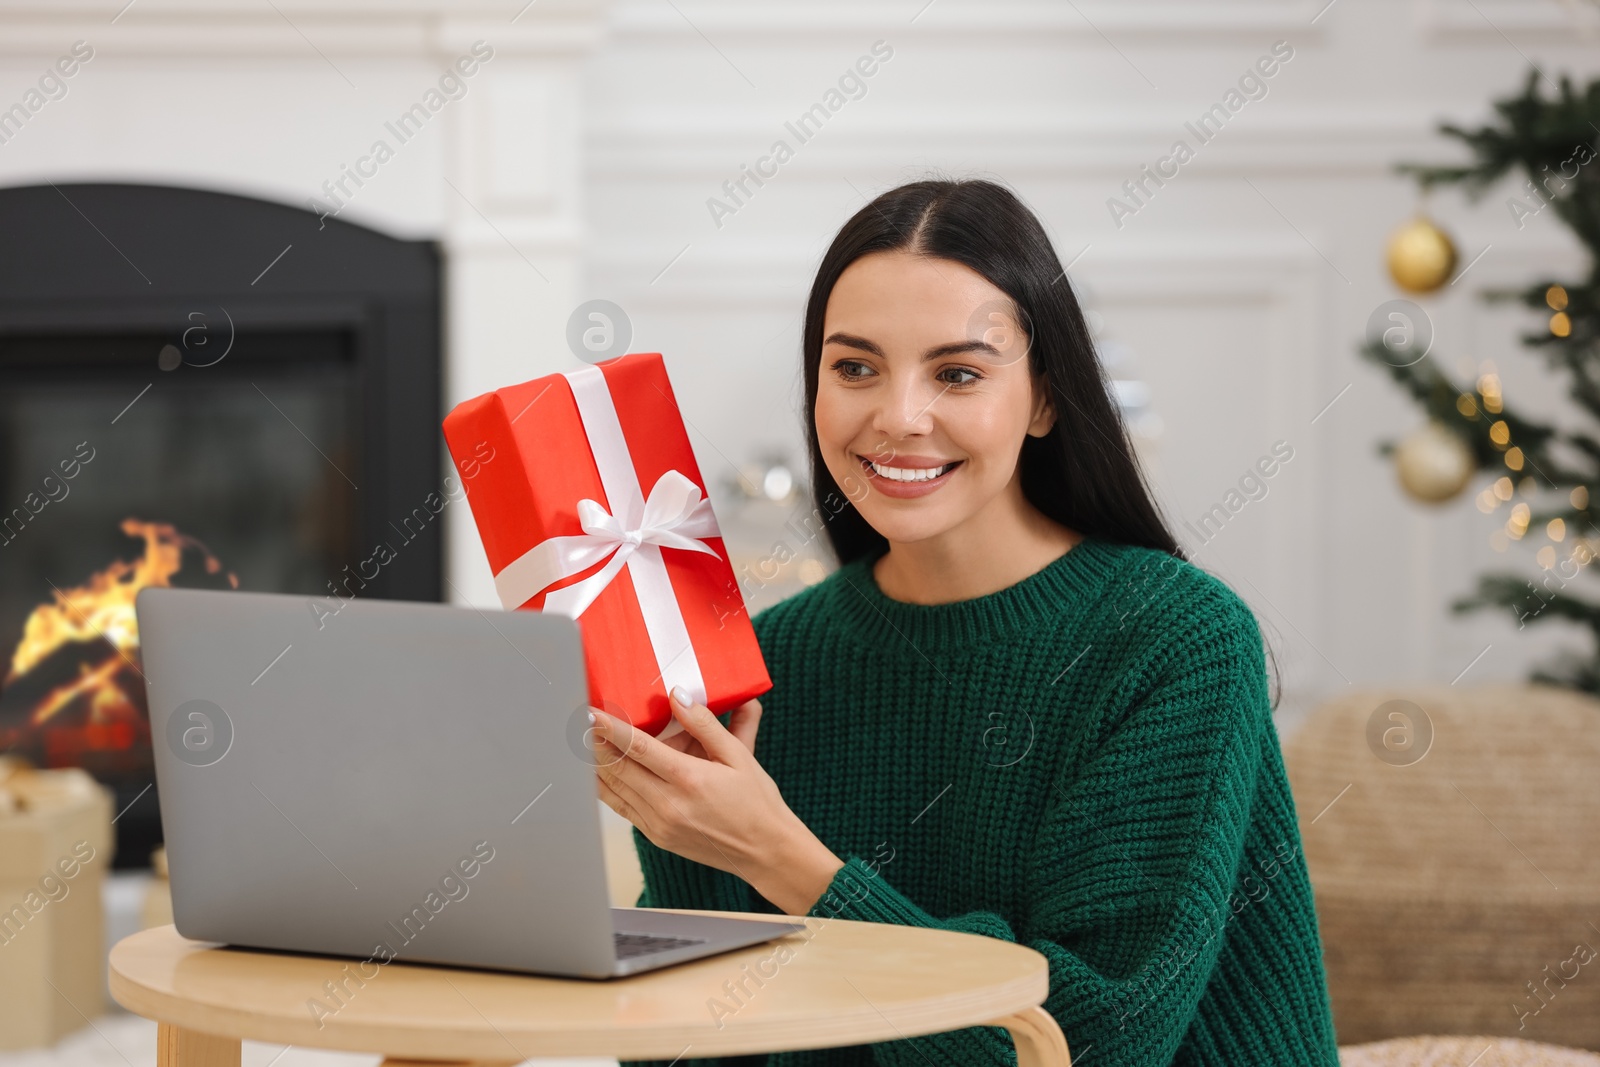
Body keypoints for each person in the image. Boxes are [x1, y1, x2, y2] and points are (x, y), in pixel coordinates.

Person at [590, 177, 1341, 1066]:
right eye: (855, 367)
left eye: (958, 373)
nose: (899, 417)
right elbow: (701, 1040)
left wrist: (780, 858)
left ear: (1046, 401)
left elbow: (1089, 1042)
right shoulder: (776, 659)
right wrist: (678, 832)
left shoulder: (1176, 641)